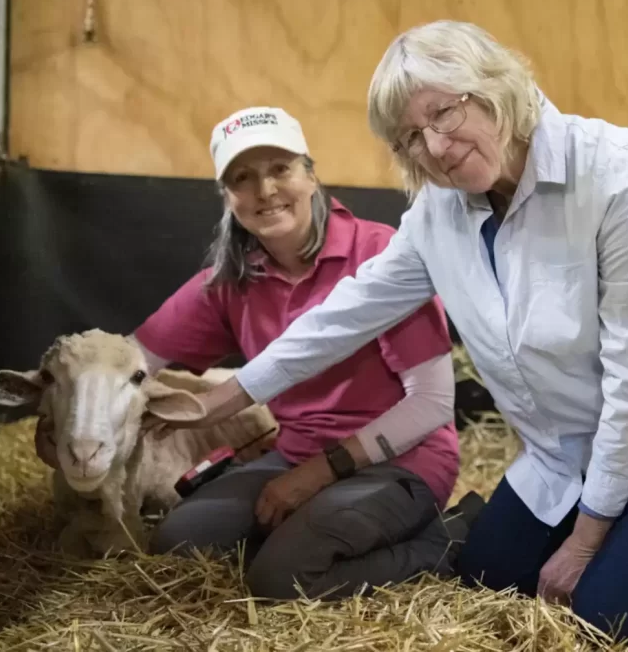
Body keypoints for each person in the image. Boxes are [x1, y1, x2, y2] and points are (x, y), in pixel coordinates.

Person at [174, 21, 628, 649]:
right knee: (491, 577)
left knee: (618, 620)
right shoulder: (437, 212)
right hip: (573, 443)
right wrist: (221, 400)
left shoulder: (612, 173)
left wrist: (587, 540)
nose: (434, 147)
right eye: (410, 139)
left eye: (444, 114)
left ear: (494, 88)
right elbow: (347, 312)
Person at [33, 105, 481, 600]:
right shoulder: (232, 279)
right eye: (243, 178)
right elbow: (124, 361)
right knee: (182, 542)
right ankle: (324, 531)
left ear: (311, 176)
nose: (265, 191)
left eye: (280, 169)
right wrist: (68, 415)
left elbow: (432, 405)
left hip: (403, 460)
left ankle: (453, 537)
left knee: (282, 578)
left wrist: (317, 474)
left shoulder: (381, 256)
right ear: (228, 197)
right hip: (295, 453)